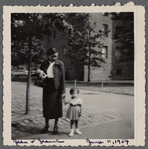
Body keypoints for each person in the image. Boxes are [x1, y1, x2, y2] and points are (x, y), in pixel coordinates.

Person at [37, 47, 66, 134]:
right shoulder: (44, 63)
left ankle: (55, 126)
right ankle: (46, 125)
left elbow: (63, 78)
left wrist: (63, 91)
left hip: (56, 88)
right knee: (47, 107)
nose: (55, 58)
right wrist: (40, 73)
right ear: (48, 56)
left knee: (56, 107)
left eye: (56, 56)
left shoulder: (60, 64)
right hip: (47, 87)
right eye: (53, 56)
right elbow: (38, 71)